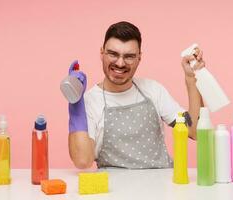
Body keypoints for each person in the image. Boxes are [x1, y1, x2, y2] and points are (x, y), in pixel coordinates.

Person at [68, 21, 204, 169]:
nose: (120, 63)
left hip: (160, 187)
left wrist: (191, 79)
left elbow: (194, 130)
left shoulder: (153, 90)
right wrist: (76, 107)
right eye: (113, 54)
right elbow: (83, 160)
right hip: (115, 189)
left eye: (129, 56)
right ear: (102, 53)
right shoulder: (90, 102)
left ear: (139, 57)